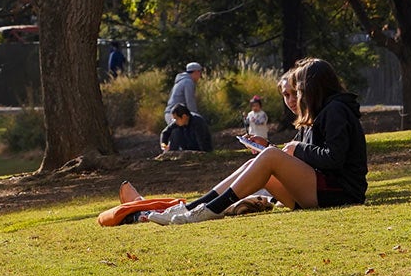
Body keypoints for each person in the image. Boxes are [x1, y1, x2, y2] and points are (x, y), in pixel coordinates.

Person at [147, 58, 366, 225]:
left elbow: (333, 158)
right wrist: (271, 149)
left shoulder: (335, 111)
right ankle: (193, 206)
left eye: (298, 90)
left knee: (269, 156)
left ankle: (210, 210)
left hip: (340, 193)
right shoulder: (318, 114)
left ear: (313, 88)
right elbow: (298, 159)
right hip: (317, 191)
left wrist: (294, 148)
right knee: (259, 159)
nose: (296, 97)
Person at [165, 62, 206, 150]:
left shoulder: (181, 80)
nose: (200, 76)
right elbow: (190, 101)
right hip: (176, 114)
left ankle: (173, 153)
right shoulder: (188, 82)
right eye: (199, 73)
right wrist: (195, 117)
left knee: (179, 135)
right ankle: (170, 154)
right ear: (196, 72)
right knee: (177, 135)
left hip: (171, 112)